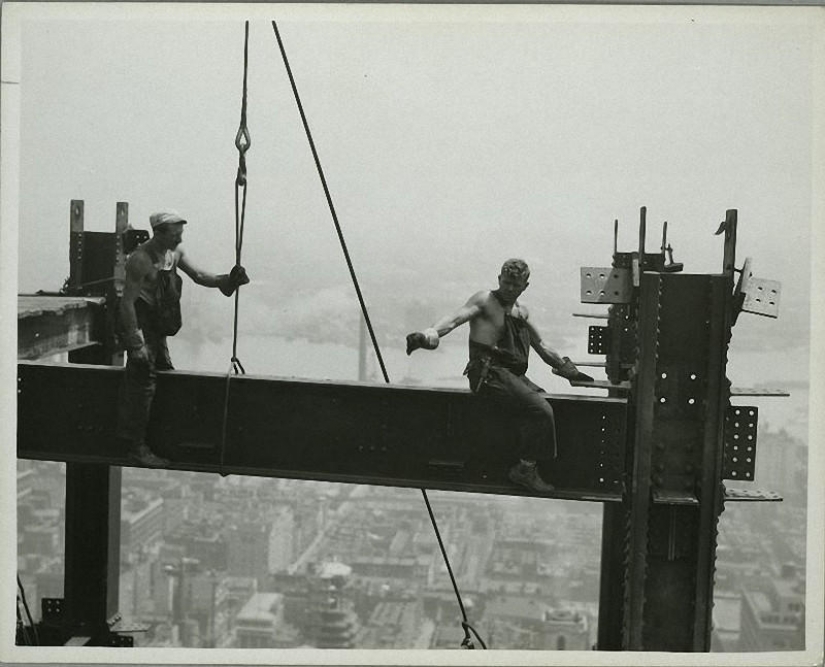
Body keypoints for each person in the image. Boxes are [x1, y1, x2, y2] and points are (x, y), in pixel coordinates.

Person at [406, 258, 592, 493]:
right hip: (488, 372)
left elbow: (543, 346)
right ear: (499, 280)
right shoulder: (485, 300)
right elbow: (454, 319)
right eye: (506, 283)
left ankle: (523, 457)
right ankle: (524, 469)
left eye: (516, 285)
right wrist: (428, 335)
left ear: (525, 285)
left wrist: (569, 370)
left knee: (547, 404)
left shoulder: (521, 313)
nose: (510, 289)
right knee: (541, 410)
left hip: (511, 376)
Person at [116, 210, 250, 467]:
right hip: (144, 327)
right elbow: (127, 303)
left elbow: (200, 276)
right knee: (142, 383)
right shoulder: (140, 260)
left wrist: (227, 279)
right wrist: (135, 343)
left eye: (180, 234)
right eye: (175, 235)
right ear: (159, 234)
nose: (179, 239)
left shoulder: (173, 254)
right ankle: (135, 446)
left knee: (163, 375)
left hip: (157, 326)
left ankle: (157, 439)